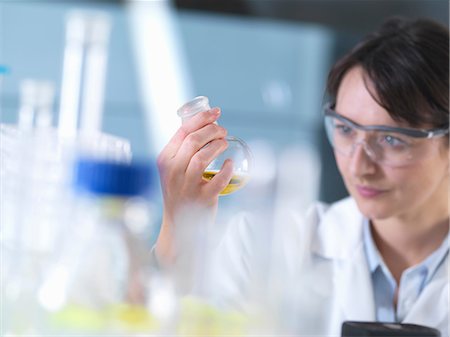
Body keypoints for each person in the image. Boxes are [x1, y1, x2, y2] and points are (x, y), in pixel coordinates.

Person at [154, 16, 449, 335]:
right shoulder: (264, 247)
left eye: (391, 139)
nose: (359, 166)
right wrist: (178, 226)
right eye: (346, 130)